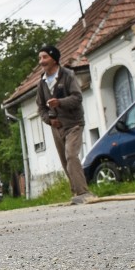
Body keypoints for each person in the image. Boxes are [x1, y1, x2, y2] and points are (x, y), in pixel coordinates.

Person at [36, 44, 95, 204]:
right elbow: (40, 107)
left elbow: (77, 97)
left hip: (74, 123)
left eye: (45, 57)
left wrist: (59, 103)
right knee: (64, 160)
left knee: (71, 155)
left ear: (54, 59)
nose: (41, 61)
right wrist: (49, 120)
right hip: (57, 126)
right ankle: (75, 193)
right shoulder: (41, 82)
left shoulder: (67, 75)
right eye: (40, 58)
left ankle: (84, 192)